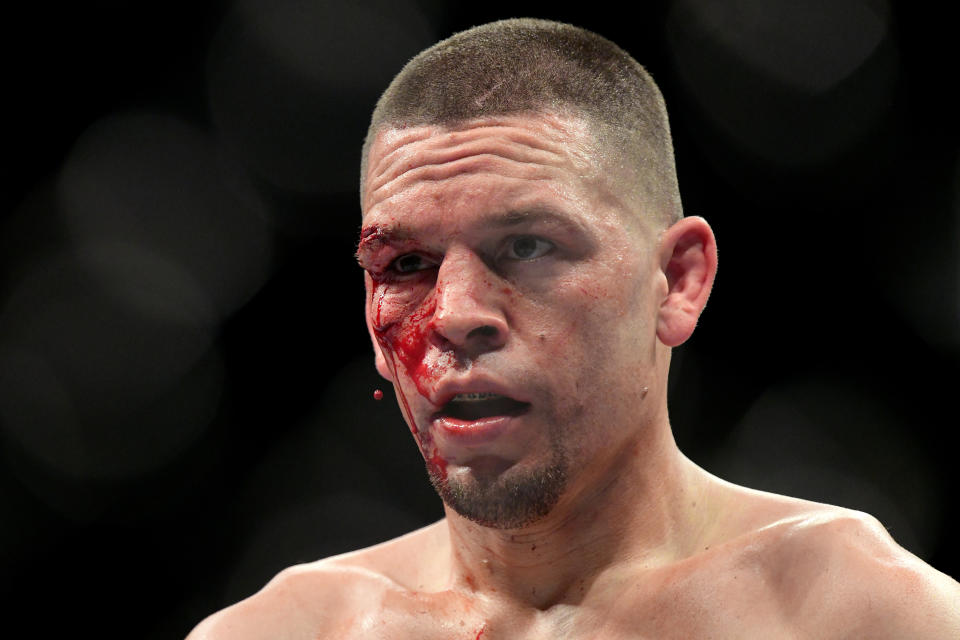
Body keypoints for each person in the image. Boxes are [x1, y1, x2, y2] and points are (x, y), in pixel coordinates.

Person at [189, 18, 960, 638]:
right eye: (405, 265)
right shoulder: (285, 630)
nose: (453, 315)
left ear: (679, 281)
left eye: (527, 247)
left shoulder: (858, 615)